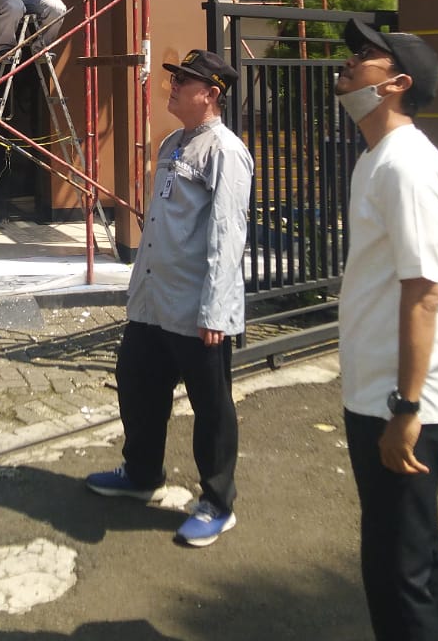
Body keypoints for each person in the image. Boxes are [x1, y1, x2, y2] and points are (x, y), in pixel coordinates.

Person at [85, 49, 254, 548]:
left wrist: (216, 310)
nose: (174, 86)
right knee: (137, 383)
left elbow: (227, 234)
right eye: (174, 79)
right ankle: (142, 474)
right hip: (154, 300)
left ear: (212, 94)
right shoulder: (172, 144)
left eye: (185, 81)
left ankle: (217, 502)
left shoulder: (225, 151)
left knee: (211, 406)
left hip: (197, 308)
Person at [334, 18, 438, 641]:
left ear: (397, 84)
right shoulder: (377, 158)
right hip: (377, 395)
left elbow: (423, 291)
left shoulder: (405, 166)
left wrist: (406, 408)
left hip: (402, 402)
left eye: (364, 55)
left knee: (399, 571)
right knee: (405, 558)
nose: (347, 63)